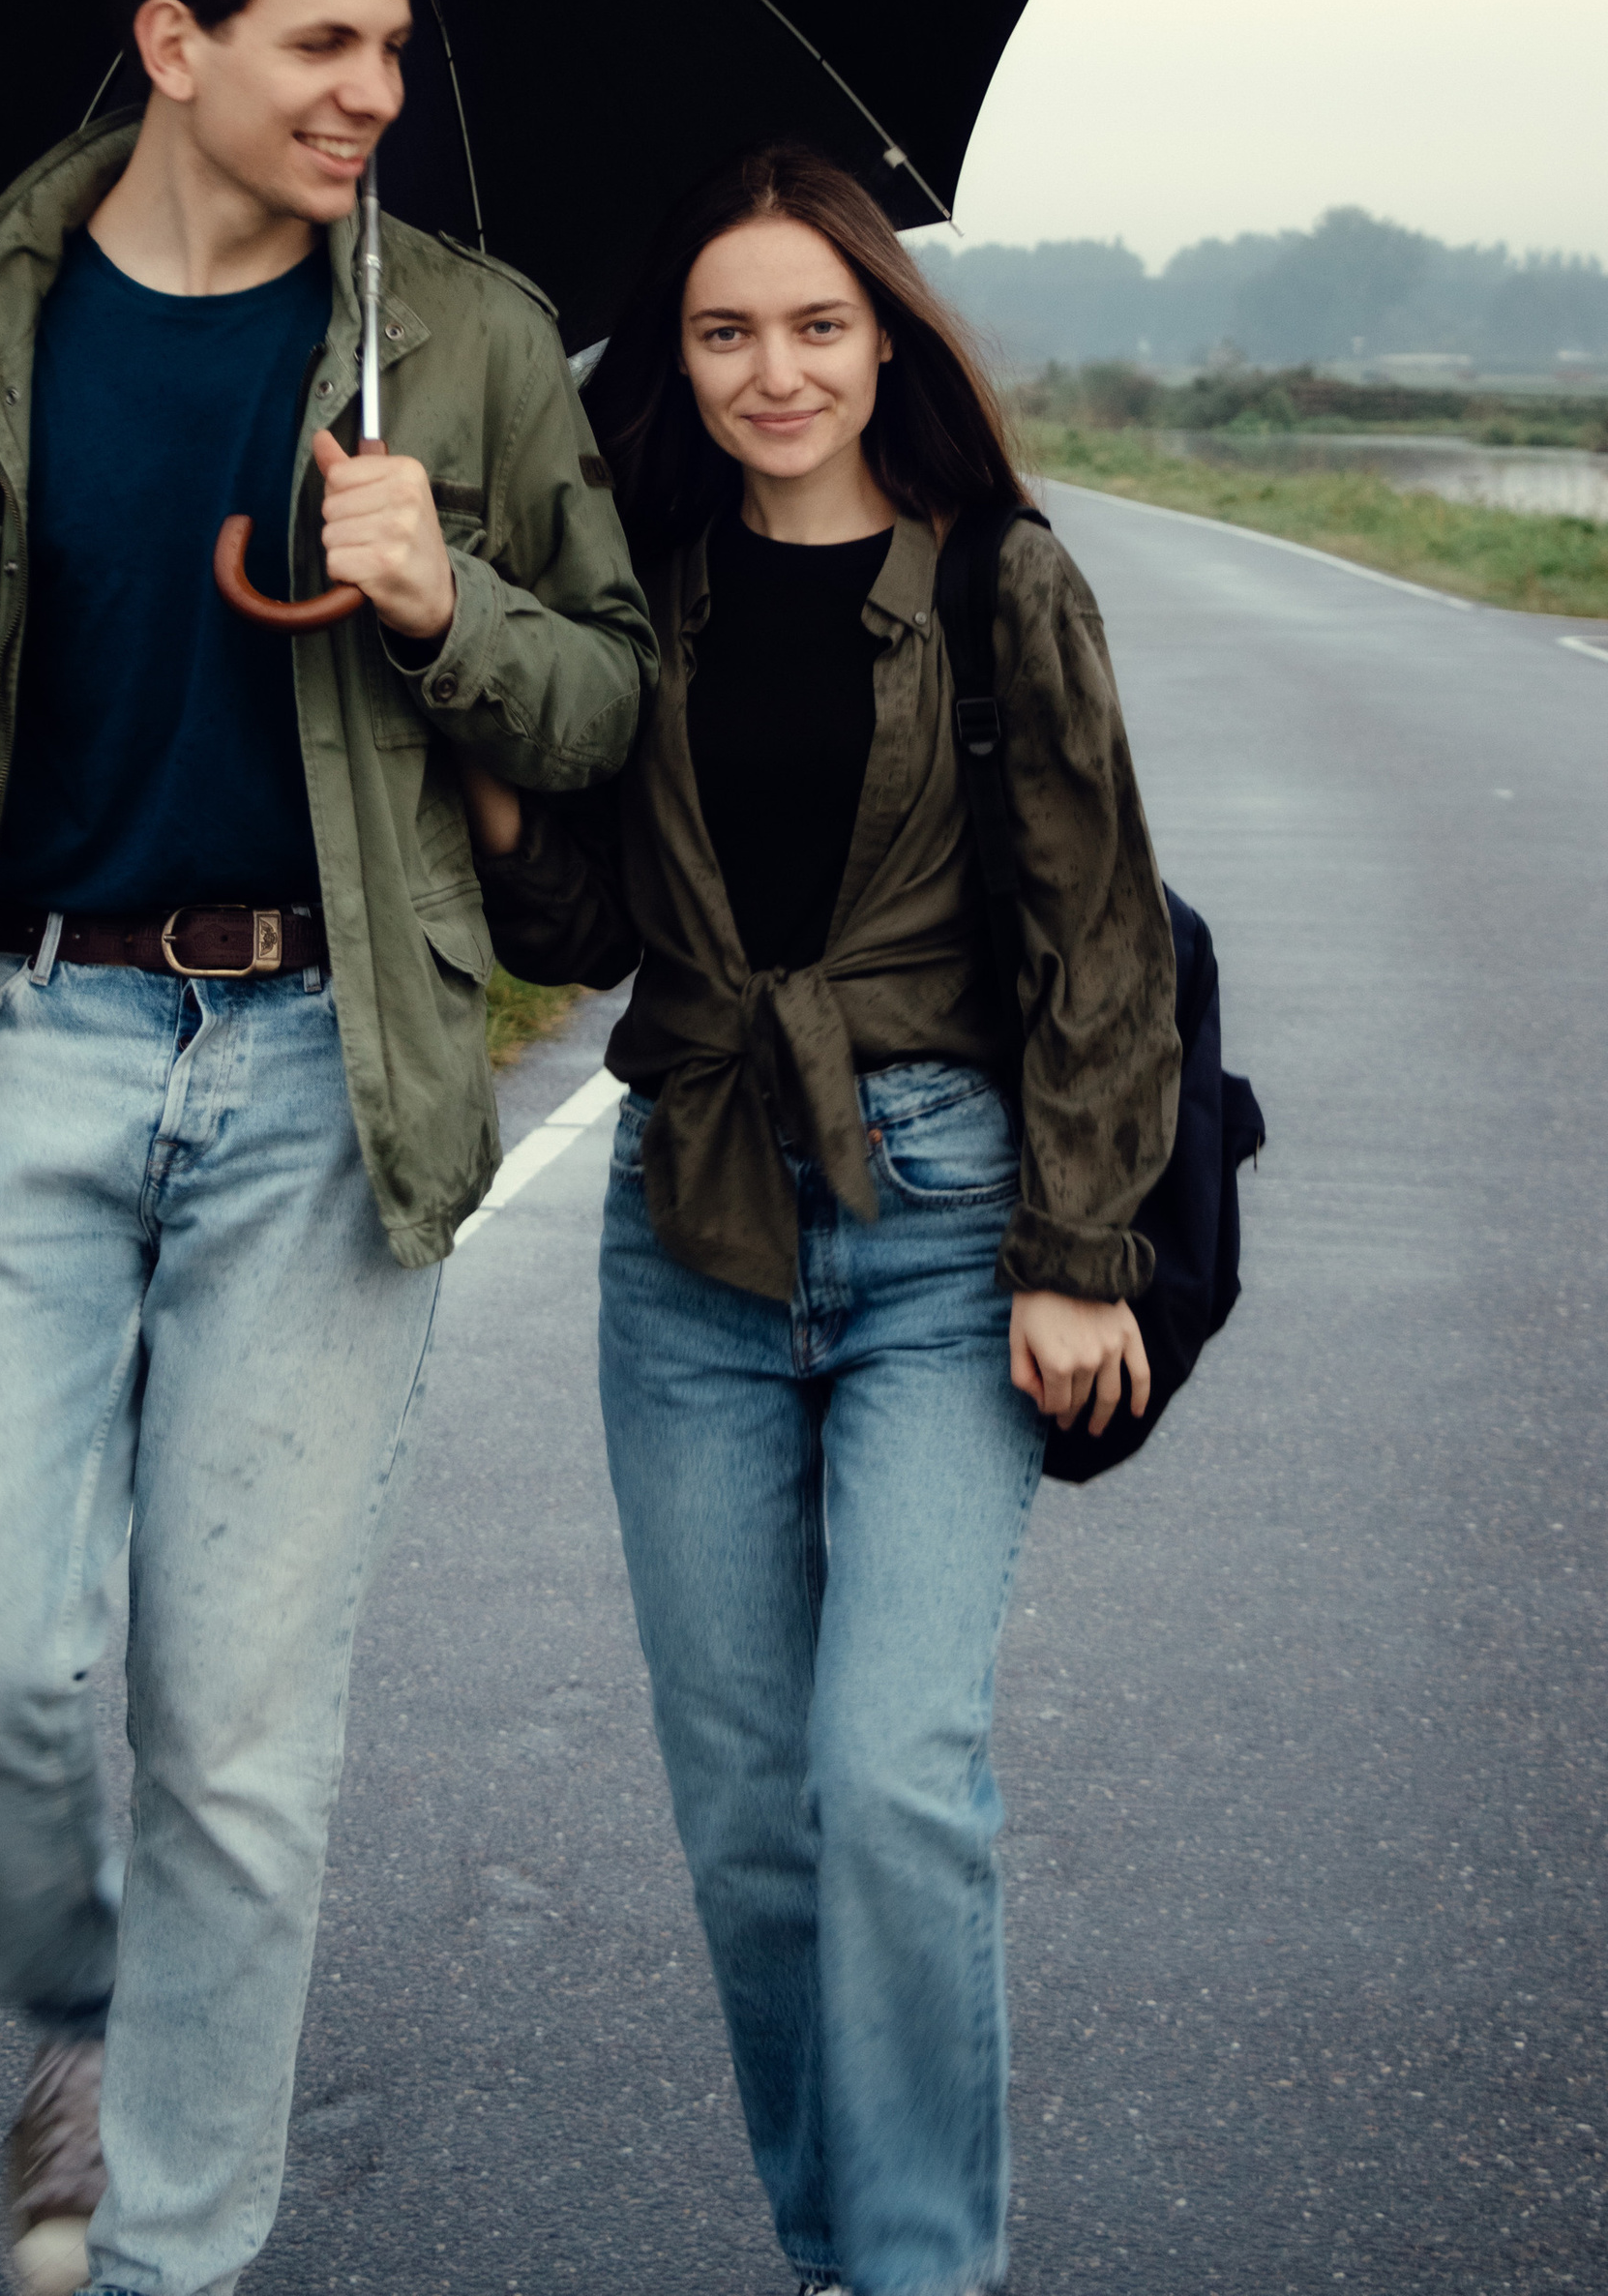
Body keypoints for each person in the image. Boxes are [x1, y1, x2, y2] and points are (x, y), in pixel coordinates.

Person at [0, 0, 652, 2296]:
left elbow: (608, 702)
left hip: (316, 1066)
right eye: (322, 42)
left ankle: (166, 2254)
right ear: (175, 44)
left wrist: (442, 598)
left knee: (238, 1748)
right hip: (25, 1045)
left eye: (395, 40)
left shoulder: (462, 341)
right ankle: (91, 2004)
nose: (376, 85)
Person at [465, 138, 1178, 2296]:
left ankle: (925, 2273)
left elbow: (1097, 940)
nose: (771, 371)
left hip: (945, 1220)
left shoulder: (995, 583)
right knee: (752, 1831)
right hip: (683, 1221)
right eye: (720, 333)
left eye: (811, 325)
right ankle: (835, 2256)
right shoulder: (639, 585)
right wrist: (478, 720)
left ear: (883, 340)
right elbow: (582, 928)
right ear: (669, 366)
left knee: (892, 1784)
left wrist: (1075, 1254)